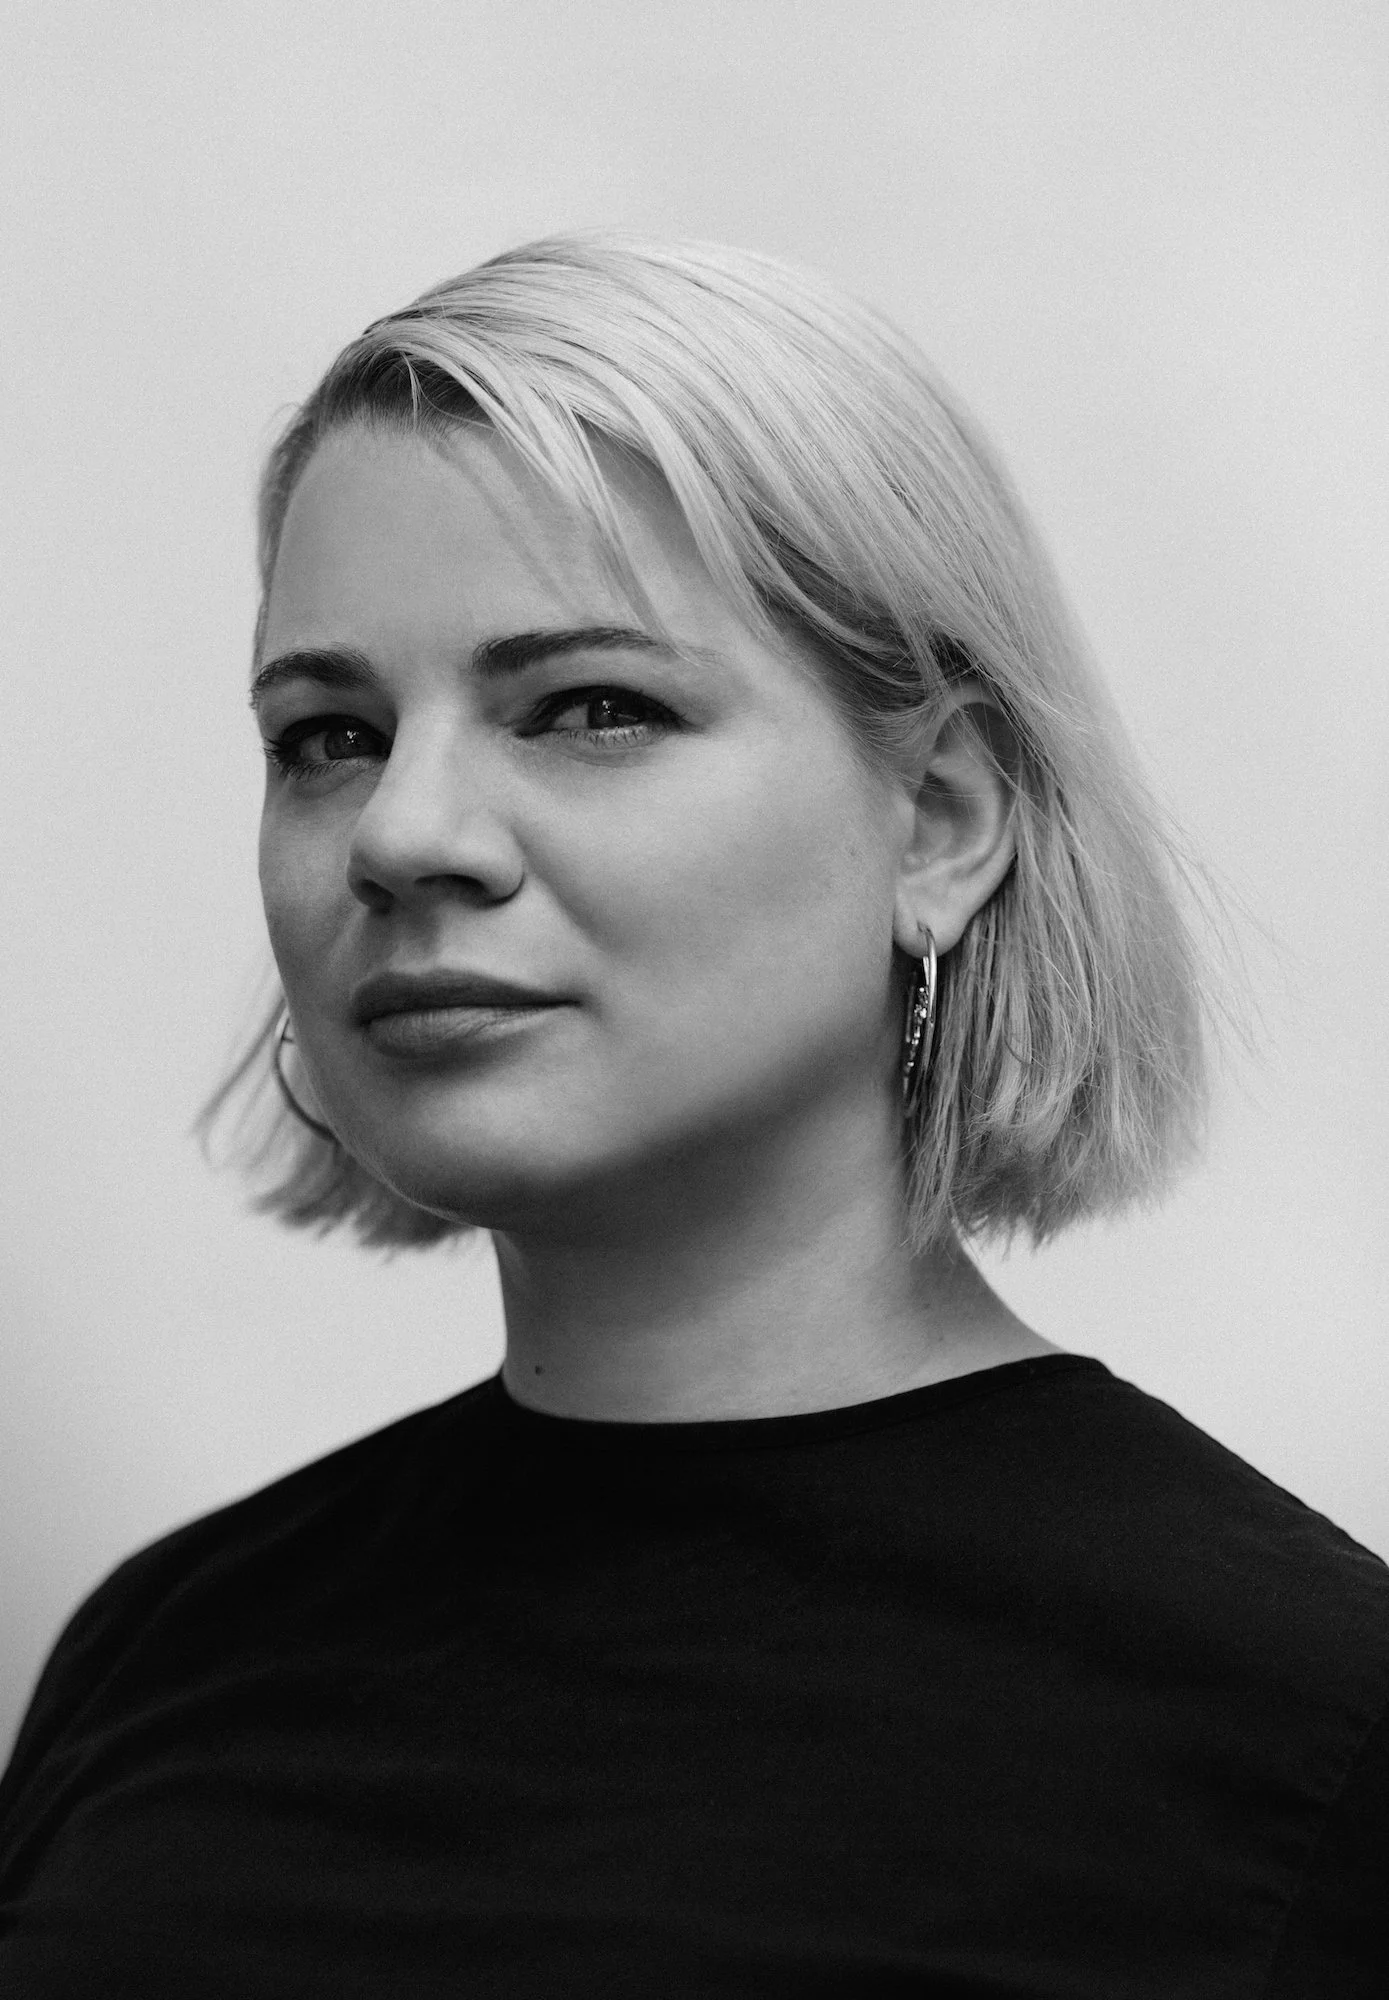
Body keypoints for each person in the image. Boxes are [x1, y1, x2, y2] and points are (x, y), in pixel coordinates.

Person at [0, 232, 1384, 1996]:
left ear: (943, 824)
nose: (405, 834)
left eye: (591, 708)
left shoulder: (1310, 1734)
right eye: (327, 735)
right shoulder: (161, 1655)